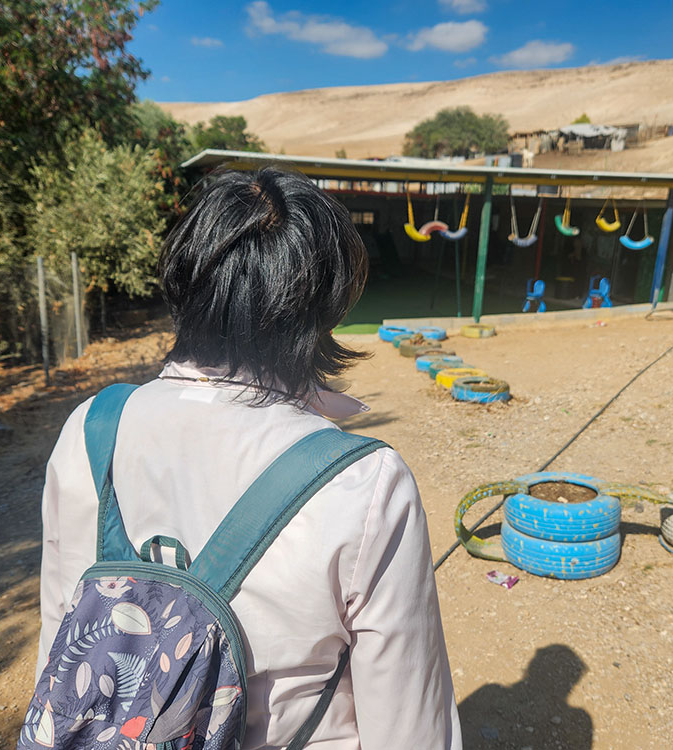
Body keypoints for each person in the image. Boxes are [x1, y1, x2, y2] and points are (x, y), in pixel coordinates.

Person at [37, 167, 462, 749]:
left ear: (184, 282)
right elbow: (409, 723)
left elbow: (60, 639)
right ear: (324, 306)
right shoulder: (366, 482)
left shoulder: (91, 429)